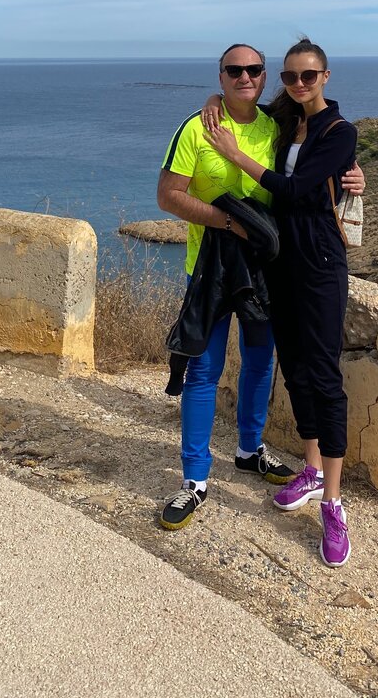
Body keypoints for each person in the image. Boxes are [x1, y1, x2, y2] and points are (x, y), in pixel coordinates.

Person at [203, 38, 358, 567]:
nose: (298, 84)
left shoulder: (341, 132)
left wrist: (235, 156)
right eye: (290, 76)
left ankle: (333, 503)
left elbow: (293, 191)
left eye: (308, 76)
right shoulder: (285, 121)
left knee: (325, 378)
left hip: (320, 267)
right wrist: (213, 101)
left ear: (325, 77)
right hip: (280, 264)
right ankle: (311, 470)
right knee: (293, 369)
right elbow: (238, 102)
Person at [156, 43, 297, 531]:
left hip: (261, 271)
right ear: (220, 76)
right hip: (210, 271)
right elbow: (168, 196)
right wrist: (228, 223)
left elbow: (321, 141)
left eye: (253, 69)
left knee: (260, 361)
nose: (244, 77)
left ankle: (249, 450)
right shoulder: (197, 128)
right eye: (234, 70)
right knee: (203, 370)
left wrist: (353, 174)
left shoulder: (276, 127)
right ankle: (195, 479)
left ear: (264, 77)